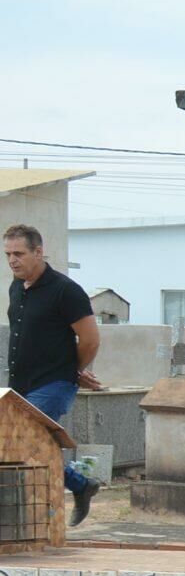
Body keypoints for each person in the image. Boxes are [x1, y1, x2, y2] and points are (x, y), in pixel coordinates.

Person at [5, 224, 104, 524]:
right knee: (23, 448)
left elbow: (90, 340)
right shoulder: (16, 287)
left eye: (19, 253)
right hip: (19, 384)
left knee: (23, 442)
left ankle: (66, 495)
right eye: (8, 254)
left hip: (54, 384)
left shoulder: (66, 290)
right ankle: (81, 485)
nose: (12, 260)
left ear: (38, 251)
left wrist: (73, 370)